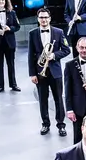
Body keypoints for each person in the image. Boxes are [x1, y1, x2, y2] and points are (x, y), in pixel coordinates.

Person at [26, 8, 70, 137]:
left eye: (46, 17)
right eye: (41, 17)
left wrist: (54, 55)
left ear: (50, 18)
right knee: (43, 100)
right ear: (38, 19)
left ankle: (61, 125)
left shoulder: (59, 32)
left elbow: (66, 50)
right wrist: (32, 74)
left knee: (58, 99)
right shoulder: (32, 33)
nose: (44, 20)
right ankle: (45, 124)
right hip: (40, 72)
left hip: (55, 72)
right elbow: (30, 55)